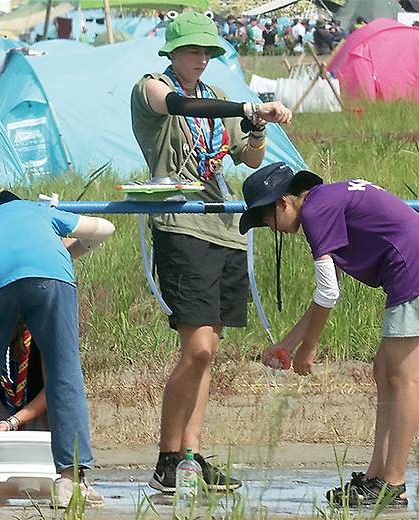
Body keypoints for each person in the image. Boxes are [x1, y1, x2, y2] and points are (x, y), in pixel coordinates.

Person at [129, 11, 293, 495]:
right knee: (196, 349)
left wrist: (260, 123)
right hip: (180, 225)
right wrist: (246, 107)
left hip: (227, 229)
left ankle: (192, 455)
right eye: (192, 50)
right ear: (172, 52)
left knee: (209, 352)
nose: (200, 59)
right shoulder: (152, 87)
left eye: (207, 52)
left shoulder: (221, 98)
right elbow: (177, 106)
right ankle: (167, 456)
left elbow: (251, 157)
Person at [239, 162, 419, 507]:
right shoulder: (326, 200)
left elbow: (327, 293)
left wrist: (308, 349)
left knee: (405, 378)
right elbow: (330, 286)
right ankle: (376, 476)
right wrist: (288, 345)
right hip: (408, 270)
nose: (271, 229)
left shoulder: (316, 212)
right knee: (384, 371)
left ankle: (394, 482)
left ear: (283, 203)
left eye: (266, 220)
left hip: (411, 271)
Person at [0, 191, 115, 508]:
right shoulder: (36, 211)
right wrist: (63, 250)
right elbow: (104, 229)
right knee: (64, 374)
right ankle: (70, 482)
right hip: (51, 274)